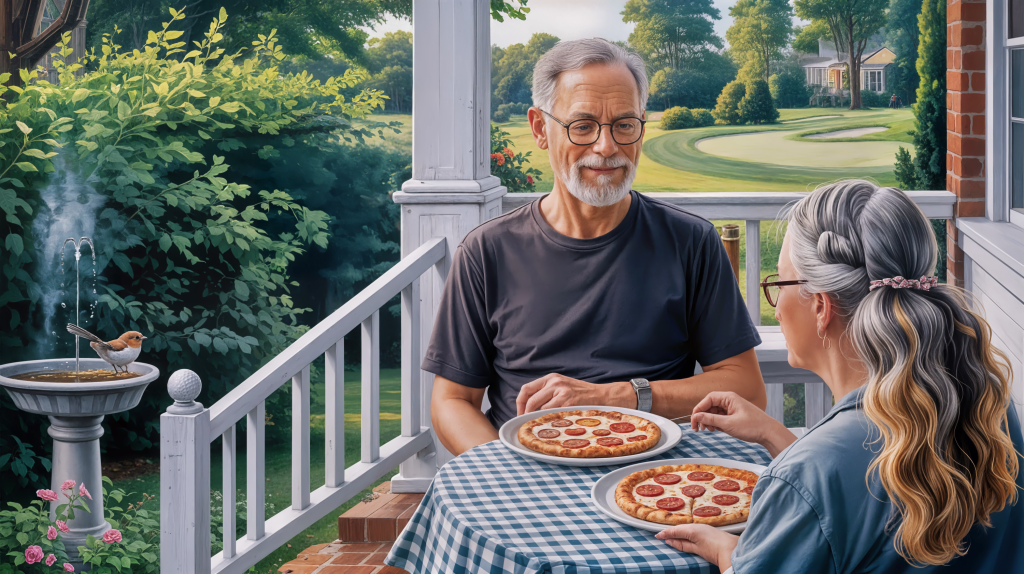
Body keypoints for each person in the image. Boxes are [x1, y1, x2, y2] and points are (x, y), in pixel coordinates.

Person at [657, 180, 1023, 572]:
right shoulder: (990, 405)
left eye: (778, 285)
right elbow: (862, 488)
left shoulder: (811, 476)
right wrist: (775, 435)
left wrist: (731, 556)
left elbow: (830, 489)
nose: (776, 309)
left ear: (820, 307)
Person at [424, 38, 767, 456]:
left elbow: (746, 387)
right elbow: (452, 400)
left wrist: (620, 397)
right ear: (539, 129)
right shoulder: (486, 252)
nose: (607, 148)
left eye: (624, 125)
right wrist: (505, 470)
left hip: (658, 476)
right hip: (526, 474)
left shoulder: (691, 241)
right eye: (582, 126)